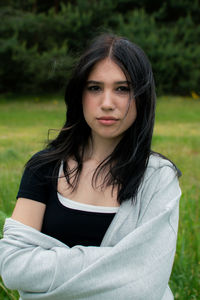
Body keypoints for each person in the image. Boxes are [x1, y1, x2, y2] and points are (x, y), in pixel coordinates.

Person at [0, 33, 181, 300]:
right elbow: (13, 266)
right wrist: (119, 266)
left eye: (123, 89)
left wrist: (44, 264)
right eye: (95, 88)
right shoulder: (44, 168)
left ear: (142, 96)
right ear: (79, 94)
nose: (107, 103)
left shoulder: (158, 178)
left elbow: (143, 284)